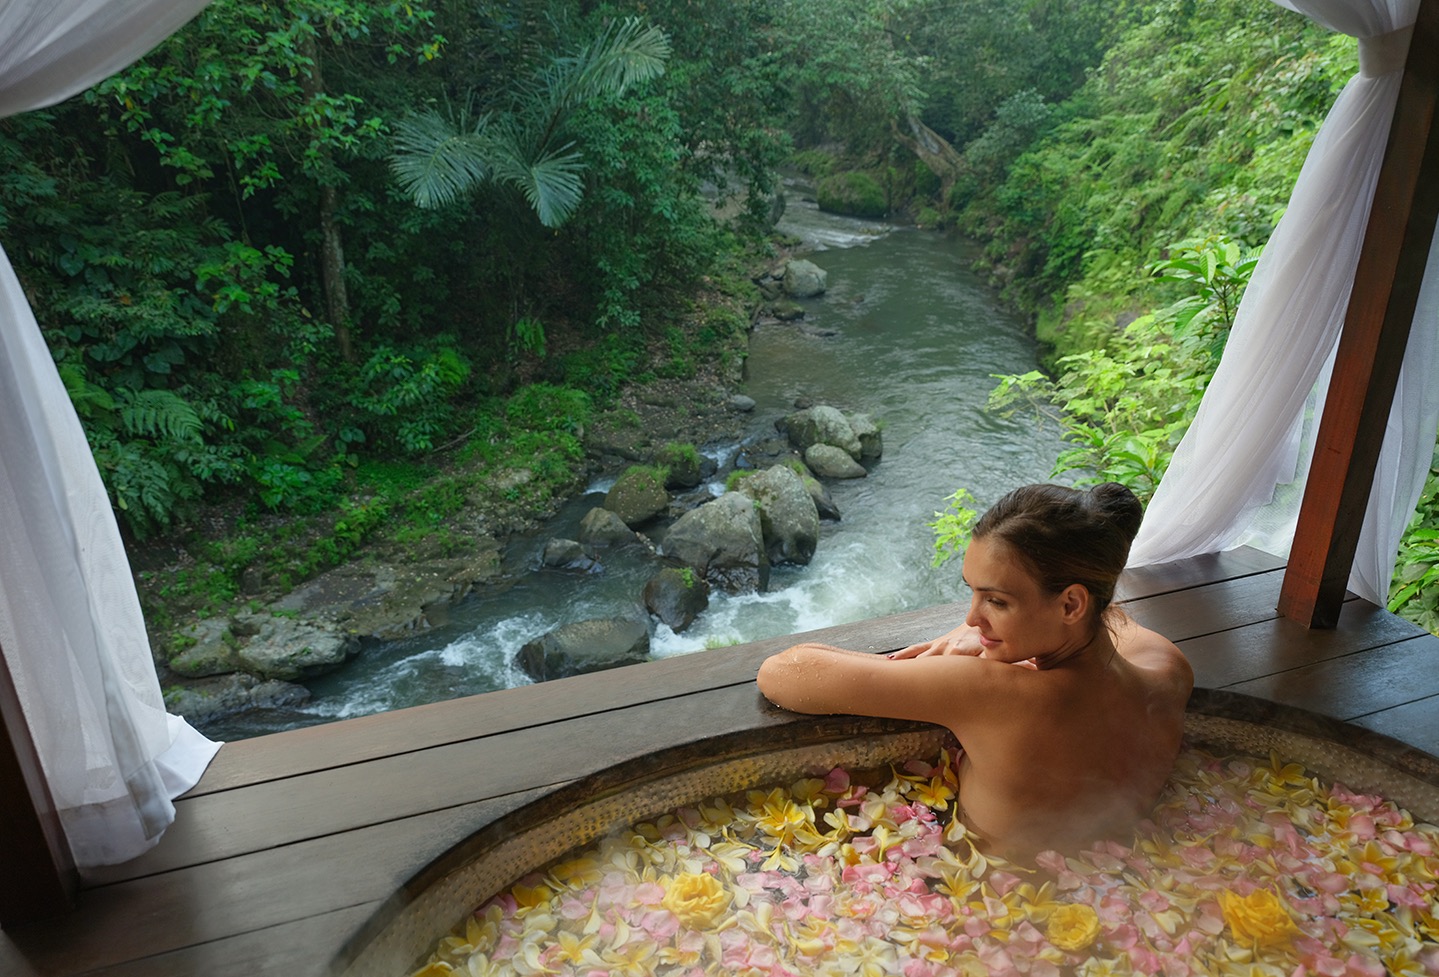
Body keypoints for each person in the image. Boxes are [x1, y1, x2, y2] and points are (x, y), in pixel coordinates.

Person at [756, 482, 1194, 857]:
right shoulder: (1168, 671)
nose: (970, 619)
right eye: (973, 595)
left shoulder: (992, 694)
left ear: (1071, 604)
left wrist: (979, 651)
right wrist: (1001, 628)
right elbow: (1115, 621)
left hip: (1001, 902)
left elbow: (784, 673)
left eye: (996, 601)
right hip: (1115, 878)